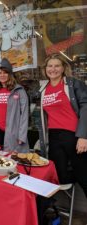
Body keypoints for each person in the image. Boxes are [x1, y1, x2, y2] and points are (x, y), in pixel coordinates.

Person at [40, 53, 87, 197]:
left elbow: (85, 107)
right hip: (54, 137)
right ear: (45, 69)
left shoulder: (72, 84)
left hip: (73, 135)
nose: (53, 69)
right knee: (59, 176)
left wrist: (83, 136)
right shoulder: (43, 88)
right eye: (50, 66)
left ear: (63, 68)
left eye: (57, 66)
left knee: (84, 176)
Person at [0, 58, 29, 152]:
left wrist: (22, 135)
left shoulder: (19, 91)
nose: (2, 75)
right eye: (0, 73)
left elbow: (24, 114)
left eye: (5, 72)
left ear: (10, 74)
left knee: (12, 161)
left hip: (13, 132)